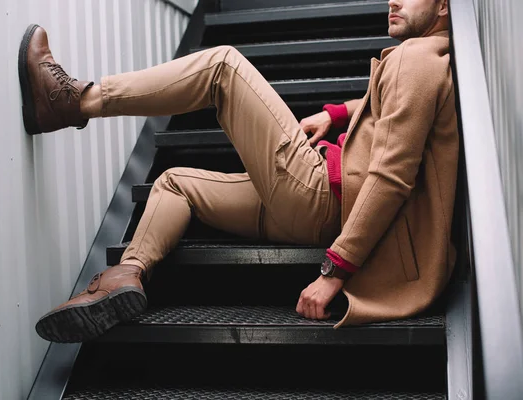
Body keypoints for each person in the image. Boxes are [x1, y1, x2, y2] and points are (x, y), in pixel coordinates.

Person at [23, 0, 458, 343]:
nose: (392, 0)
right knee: (175, 183)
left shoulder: (414, 61)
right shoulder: (430, 60)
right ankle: (126, 275)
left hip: (321, 193)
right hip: (318, 212)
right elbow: (393, 112)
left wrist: (334, 273)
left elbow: (389, 179)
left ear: (443, 6)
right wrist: (337, 113)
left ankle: (75, 101)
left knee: (222, 66)